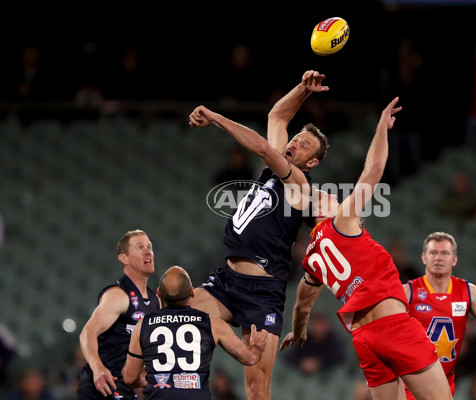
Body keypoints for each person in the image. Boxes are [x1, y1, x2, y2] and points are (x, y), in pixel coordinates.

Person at [279, 97, 453, 400]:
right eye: (328, 196)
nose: (334, 198)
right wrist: (382, 128)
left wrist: (299, 331)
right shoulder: (342, 221)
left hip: (364, 339)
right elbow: (373, 170)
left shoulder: (311, 260)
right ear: (321, 209)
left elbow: (301, 305)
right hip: (393, 326)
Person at [187, 70, 330, 400]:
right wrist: (304, 90)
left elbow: (265, 147)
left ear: (311, 163)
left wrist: (216, 117)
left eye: (304, 145)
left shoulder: (299, 185)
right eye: (295, 139)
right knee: (176, 318)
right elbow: (278, 116)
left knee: (256, 390)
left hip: (262, 293)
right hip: (226, 281)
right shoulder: (273, 169)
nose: (294, 142)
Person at [122, 266, 268, 399]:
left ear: (159, 293)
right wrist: (257, 347)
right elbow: (249, 358)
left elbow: (129, 378)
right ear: (192, 292)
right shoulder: (213, 324)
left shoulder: (143, 325)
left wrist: (144, 382)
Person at [402, 232, 476, 399]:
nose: (438, 258)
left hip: (445, 384)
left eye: (445, 253)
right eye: (433, 253)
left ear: (454, 260)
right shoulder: (407, 292)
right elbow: (384, 331)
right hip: (409, 383)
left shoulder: (469, 293)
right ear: (424, 258)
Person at [78, 229, 161, 400]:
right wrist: (97, 367)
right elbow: (87, 332)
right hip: (102, 386)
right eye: (140, 247)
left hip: (125, 388)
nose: (148, 251)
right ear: (124, 258)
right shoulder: (118, 295)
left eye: (149, 247)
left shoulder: (155, 301)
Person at [283, 311, 346, 375]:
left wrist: (318, 364)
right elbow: (290, 356)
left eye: (321, 324)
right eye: (316, 324)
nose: (318, 328)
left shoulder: (334, 340)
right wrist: (302, 363)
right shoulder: (304, 338)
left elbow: (339, 359)